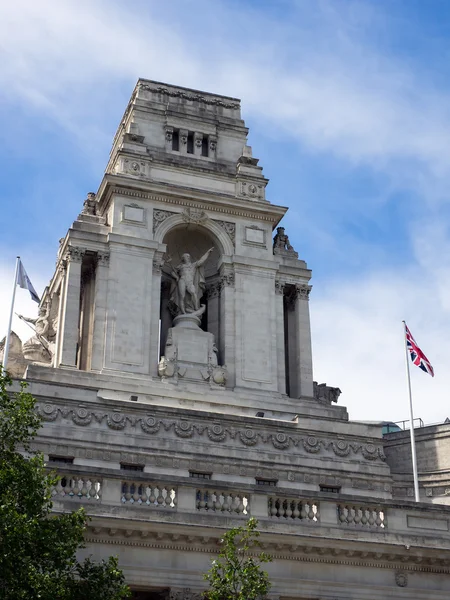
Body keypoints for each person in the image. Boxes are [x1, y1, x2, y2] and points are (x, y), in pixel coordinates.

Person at [168, 247, 214, 314]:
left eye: (188, 256)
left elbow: (202, 260)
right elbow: (172, 272)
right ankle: (183, 312)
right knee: (182, 297)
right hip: (182, 280)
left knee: (193, 293)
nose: (188, 257)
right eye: (186, 256)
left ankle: (195, 307)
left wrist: (208, 252)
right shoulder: (180, 266)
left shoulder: (194, 265)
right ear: (183, 258)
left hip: (190, 282)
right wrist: (176, 277)